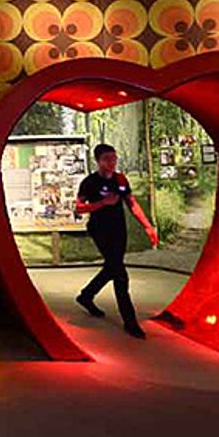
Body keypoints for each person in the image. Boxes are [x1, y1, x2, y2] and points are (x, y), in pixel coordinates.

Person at [75, 144, 158, 339]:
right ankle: (130, 321)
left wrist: (148, 226)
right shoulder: (89, 182)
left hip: (119, 230)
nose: (111, 162)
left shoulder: (120, 179)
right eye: (107, 159)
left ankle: (86, 295)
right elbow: (79, 208)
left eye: (114, 158)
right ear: (98, 160)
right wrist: (102, 203)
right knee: (120, 274)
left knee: (112, 267)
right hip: (99, 230)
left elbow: (132, 203)